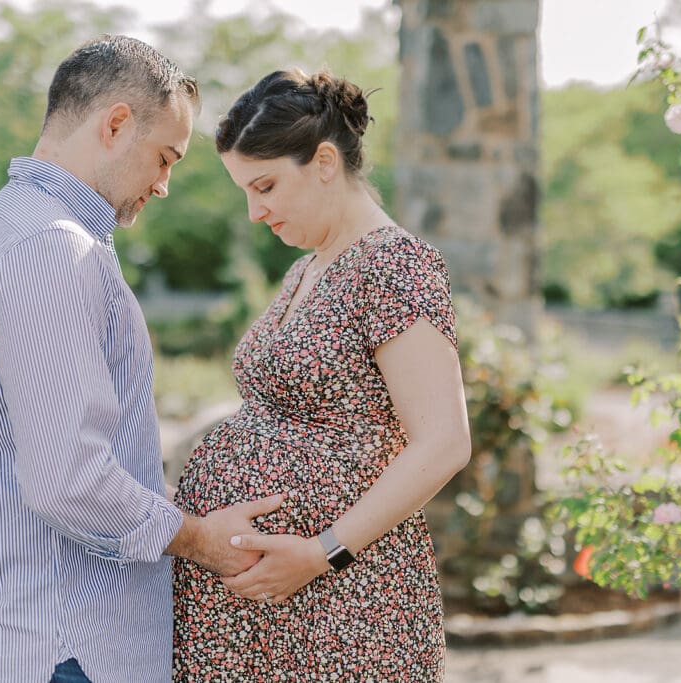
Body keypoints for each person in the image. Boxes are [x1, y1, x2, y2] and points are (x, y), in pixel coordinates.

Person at [0, 35, 283, 683]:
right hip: (55, 646)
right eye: (165, 157)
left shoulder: (20, 226)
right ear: (116, 123)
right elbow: (70, 478)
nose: (165, 185)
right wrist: (201, 539)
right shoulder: (50, 247)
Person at [171, 68, 472, 681]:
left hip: (341, 601)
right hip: (263, 613)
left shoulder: (393, 263)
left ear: (325, 162)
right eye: (245, 193)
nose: (256, 212)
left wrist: (320, 552)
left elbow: (444, 442)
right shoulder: (306, 269)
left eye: (266, 186)